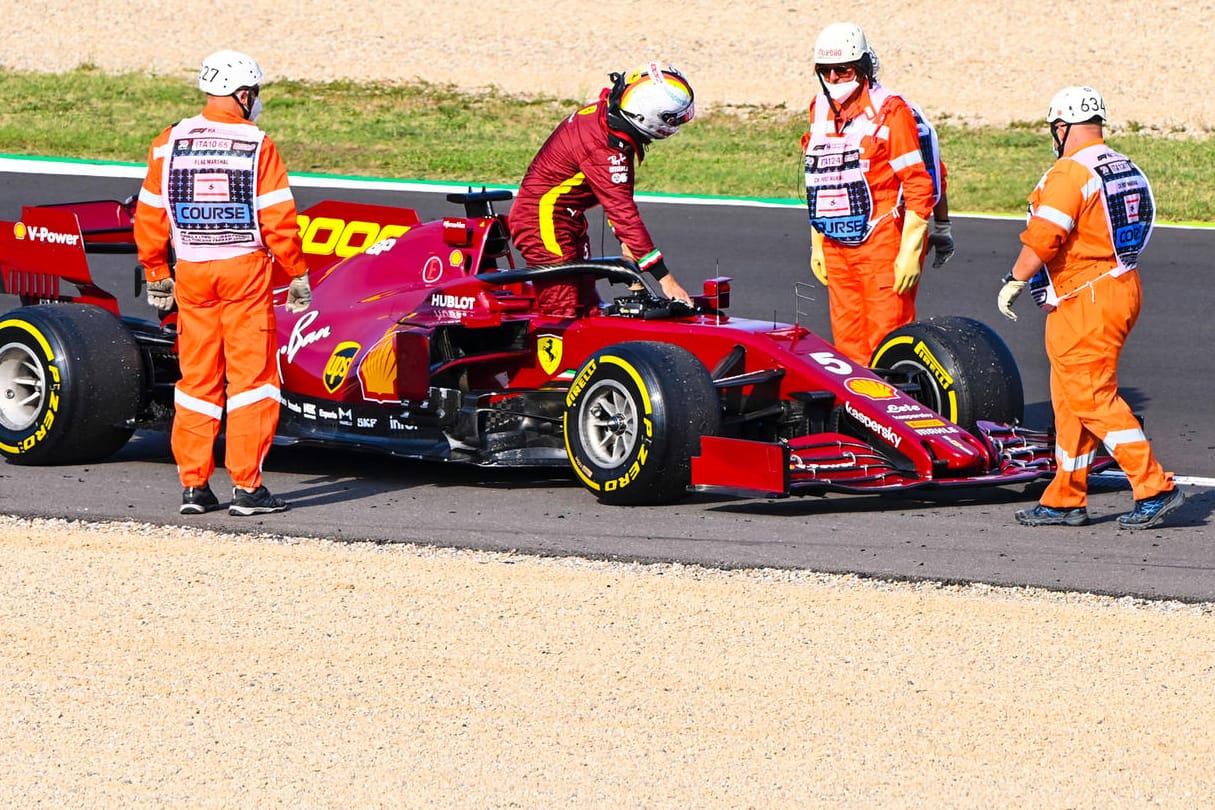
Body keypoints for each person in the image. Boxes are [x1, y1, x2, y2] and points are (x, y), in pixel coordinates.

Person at [134, 50, 312, 517]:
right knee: (252, 382)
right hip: (245, 273)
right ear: (244, 94)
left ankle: (194, 486)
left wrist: (155, 270)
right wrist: (296, 272)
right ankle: (247, 489)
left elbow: (149, 212)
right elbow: (279, 220)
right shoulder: (257, 144)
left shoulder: (168, 140)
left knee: (197, 380)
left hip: (190, 271)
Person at [997, 85, 1184, 530]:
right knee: (1070, 400)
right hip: (1118, 285)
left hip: (1088, 297)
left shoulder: (1070, 173)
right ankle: (1066, 495)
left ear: (1061, 128)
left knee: (1092, 396)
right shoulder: (1123, 166)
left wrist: (1015, 279)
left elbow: (1045, 236)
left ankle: (1153, 485)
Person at [510, 62, 696, 317]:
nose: (677, 124)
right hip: (543, 222)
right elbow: (623, 213)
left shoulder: (611, 121)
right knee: (563, 312)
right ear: (649, 114)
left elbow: (616, 200)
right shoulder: (603, 146)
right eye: (674, 119)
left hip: (565, 219)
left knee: (588, 309)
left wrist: (628, 246)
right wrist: (666, 281)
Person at [802, 22, 937, 365]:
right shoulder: (817, 109)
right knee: (846, 344)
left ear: (861, 68)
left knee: (886, 339)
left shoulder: (892, 111)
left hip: (881, 244)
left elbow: (919, 183)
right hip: (835, 242)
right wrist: (817, 242)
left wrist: (911, 249)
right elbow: (818, 178)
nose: (833, 78)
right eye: (825, 71)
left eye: (842, 70)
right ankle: (857, 414)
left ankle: (895, 410)